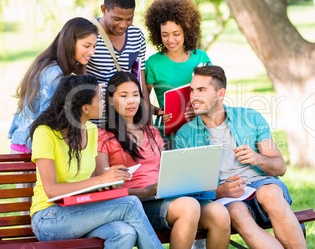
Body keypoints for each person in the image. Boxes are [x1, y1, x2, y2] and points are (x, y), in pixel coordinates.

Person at [174, 65, 307, 249]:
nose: (194, 97)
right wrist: (220, 191)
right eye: (192, 90)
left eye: (202, 90)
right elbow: (186, 188)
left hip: (261, 184)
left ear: (220, 93)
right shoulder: (185, 136)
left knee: (271, 193)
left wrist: (257, 158)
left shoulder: (250, 118)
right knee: (236, 213)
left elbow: (280, 167)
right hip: (227, 197)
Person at [96, 71, 230, 249]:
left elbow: (168, 169)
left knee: (219, 213)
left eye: (136, 95)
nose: (132, 101)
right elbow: (105, 188)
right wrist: (145, 192)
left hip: (166, 197)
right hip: (136, 204)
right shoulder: (103, 137)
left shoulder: (152, 132)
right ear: (111, 100)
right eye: (124, 95)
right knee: (189, 207)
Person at [29, 75, 163, 249]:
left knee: (124, 233)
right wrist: (101, 179)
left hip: (82, 210)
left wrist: (108, 182)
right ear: (85, 108)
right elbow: (52, 191)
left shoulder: (92, 131)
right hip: (49, 217)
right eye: (100, 98)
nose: (104, 102)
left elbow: (89, 182)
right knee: (130, 204)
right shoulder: (45, 133)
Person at [8, 17, 98, 153]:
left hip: (26, 144)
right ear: (70, 42)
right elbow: (51, 119)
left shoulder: (50, 64)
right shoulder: (54, 73)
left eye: (94, 46)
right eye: (87, 46)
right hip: (31, 149)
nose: (92, 52)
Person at [144, 0, 211, 144]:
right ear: (157, 33)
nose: (170, 40)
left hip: (200, 130)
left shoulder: (201, 57)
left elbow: (212, 93)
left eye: (176, 33)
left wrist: (200, 109)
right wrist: (158, 112)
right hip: (168, 135)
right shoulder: (152, 64)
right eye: (165, 35)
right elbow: (142, 99)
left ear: (186, 31)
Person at [87, 0, 150, 126]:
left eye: (129, 19)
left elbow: (140, 80)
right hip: (96, 123)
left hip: (126, 123)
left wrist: (147, 120)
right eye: (117, 19)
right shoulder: (87, 35)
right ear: (104, 10)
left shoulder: (137, 36)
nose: (123, 25)